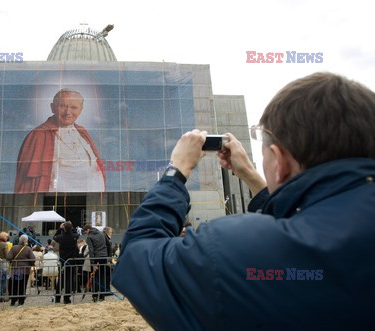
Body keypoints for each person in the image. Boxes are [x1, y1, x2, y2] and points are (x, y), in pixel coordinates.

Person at [112, 72, 375, 330]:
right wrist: (251, 176)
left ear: (279, 161)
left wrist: (176, 171)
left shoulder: (233, 250)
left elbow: (136, 258)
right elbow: (304, 216)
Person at [14, 88, 106, 193]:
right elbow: (29, 180)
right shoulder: (39, 135)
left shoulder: (82, 132)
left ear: (81, 110)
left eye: (74, 107)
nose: (68, 112)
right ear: (52, 107)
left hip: (90, 192)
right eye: (62, 106)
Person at [54, 221, 79, 304]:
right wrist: (72, 228)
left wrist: (59, 229)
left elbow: (54, 237)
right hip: (71, 261)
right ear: (71, 228)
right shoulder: (74, 237)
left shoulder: (60, 237)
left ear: (63, 228)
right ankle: (66, 298)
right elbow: (77, 234)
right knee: (69, 280)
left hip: (63, 260)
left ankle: (57, 297)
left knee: (61, 279)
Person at [7, 234, 35, 306]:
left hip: (16, 269)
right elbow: (33, 258)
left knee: (15, 285)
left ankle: (13, 300)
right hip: (25, 270)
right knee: (23, 285)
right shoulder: (28, 249)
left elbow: (9, 257)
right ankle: (21, 300)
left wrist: (12, 261)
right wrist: (30, 263)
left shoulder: (14, 248)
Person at [83, 224, 108, 302]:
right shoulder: (101, 234)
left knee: (95, 278)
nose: (86, 233)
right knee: (102, 277)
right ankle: (102, 296)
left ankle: (95, 295)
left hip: (96, 258)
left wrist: (93, 263)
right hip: (104, 257)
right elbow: (108, 245)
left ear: (88, 230)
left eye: (85, 232)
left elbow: (91, 250)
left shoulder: (89, 237)